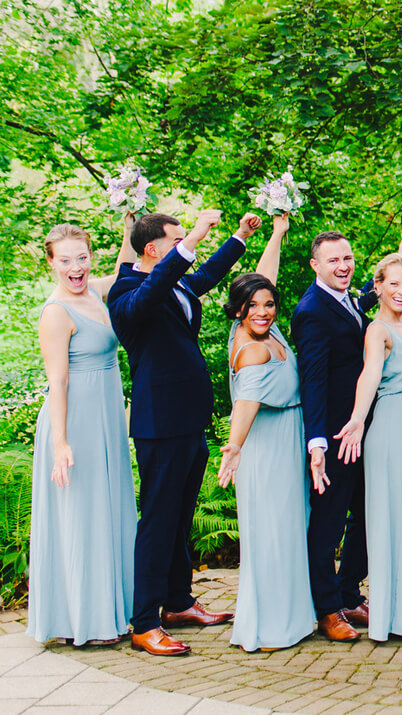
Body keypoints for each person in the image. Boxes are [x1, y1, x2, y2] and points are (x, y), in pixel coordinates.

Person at [109, 209, 254, 656]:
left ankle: (177, 602)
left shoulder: (175, 283)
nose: (184, 248)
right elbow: (149, 295)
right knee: (157, 519)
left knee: (181, 515)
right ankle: (145, 621)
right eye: (175, 241)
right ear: (153, 248)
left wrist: (238, 236)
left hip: (190, 419)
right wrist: (192, 237)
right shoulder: (127, 290)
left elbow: (205, 274)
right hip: (160, 423)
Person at [335, 191, 402, 642]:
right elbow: (369, 377)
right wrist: (359, 419)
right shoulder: (378, 329)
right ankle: (389, 616)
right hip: (392, 428)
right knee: (393, 517)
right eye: (393, 285)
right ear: (376, 287)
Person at [28, 219, 138, 647]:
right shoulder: (57, 312)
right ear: (51, 263)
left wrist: (129, 223)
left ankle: (118, 608)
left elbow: (126, 267)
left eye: (83, 258)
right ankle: (84, 620)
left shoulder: (96, 290)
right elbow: (58, 381)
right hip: (74, 423)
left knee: (108, 510)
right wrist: (60, 443)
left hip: (106, 417)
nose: (76, 268)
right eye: (66, 260)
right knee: (84, 517)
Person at [215, 214, 316, 652]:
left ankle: (293, 617)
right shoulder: (253, 347)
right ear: (239, 309)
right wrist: (233, 449)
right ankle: (269, 626)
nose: (262, 311)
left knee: (290, 529)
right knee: (272, 534)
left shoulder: (264, 327)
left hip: (287, 436)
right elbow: (246, 404)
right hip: (266, 445)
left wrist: (276, 234)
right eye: (253, 306)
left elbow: (263, 277)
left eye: (269, 304)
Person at [293, 226, 378, 642]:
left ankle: (348, 591)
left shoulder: (346, 300)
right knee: (328, 524)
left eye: (347, 258)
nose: (343, 266)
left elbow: (356, 309)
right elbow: (312, 380)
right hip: (333, 435)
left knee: (365, 514)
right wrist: (317, 443)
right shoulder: (310, 311)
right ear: (315, 266)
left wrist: (379, 284)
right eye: (333, 261)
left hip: (362, 431)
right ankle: (327, 609)